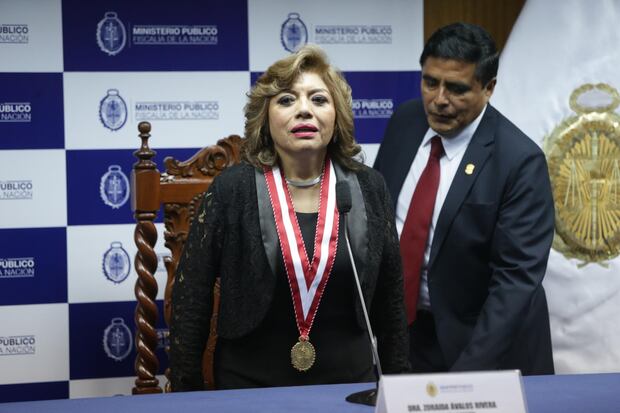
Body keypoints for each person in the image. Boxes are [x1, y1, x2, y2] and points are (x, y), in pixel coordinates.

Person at [170, 44, 409, 391]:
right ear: (265, 119)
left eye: (319, 99)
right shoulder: (232, 190)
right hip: (250, 388)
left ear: (337, 116)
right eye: (286, 100)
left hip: (348, 386)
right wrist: (185, 395)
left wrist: (398, 389)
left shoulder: (368, 188)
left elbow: (392, 302)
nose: (304, 110)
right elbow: (191, 298)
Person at [374, 22, 555, 375]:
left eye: (456, 88)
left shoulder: (519, 161)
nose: (439, 99)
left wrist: (467, 377)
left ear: (488, 88)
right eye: (430, 82)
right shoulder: (405, 122)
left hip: (483, 346)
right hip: (409, 338)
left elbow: (515, 282)